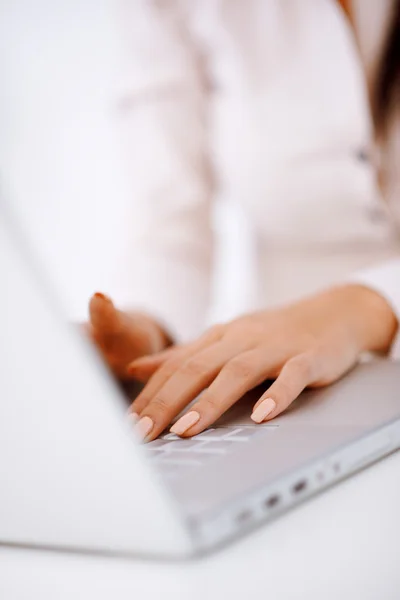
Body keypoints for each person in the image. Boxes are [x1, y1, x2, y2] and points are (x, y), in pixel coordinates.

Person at [86, 0, 400, 442]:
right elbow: (169, 217)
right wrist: (146, 330)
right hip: (290, 393)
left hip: (312, 346)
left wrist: (367, 305)